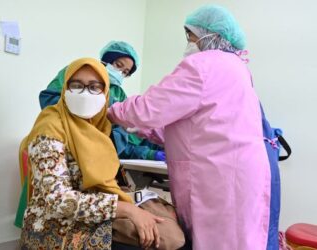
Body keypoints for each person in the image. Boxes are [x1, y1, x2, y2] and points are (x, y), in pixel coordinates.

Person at [108, 5, 271, 250]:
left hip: (219, 178)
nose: (188, 43)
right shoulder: (237, 68)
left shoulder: (203, 65)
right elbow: (198, 123)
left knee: (218, 242)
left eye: (190, 36)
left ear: (207, 35)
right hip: (242, 172)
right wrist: (143, 130)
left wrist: (111, 111)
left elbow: (148, 108)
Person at [19, 58, 164, 249]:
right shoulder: (49, 127)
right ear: (64, 89)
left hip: (93, 215)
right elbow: (57, 200)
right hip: (55, 228)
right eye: (76, 85)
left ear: (105, 94)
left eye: (94, 87)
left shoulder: (99, 128)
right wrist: (126, 210)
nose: (85, 94)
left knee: (165, 229)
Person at [39, 41, 165, 161]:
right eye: (119, 65)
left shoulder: (118, 93)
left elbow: (122, 136)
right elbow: (49, 98)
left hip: (100, 152)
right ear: (107, 59)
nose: (120, 73)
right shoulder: (79, 71)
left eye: (125, 72)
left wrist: (149, 152)